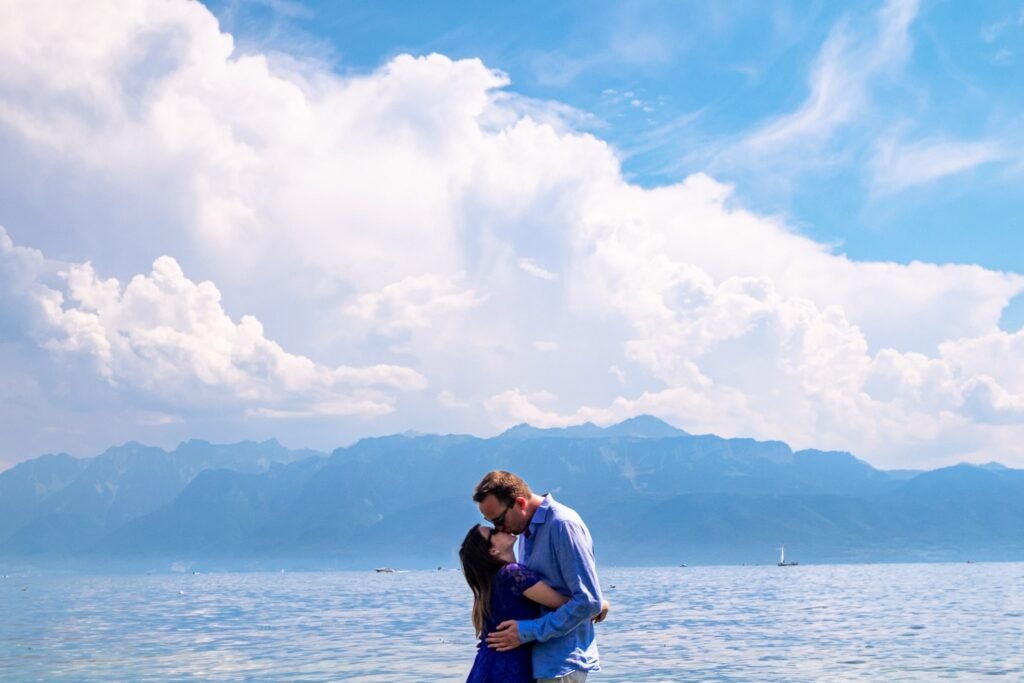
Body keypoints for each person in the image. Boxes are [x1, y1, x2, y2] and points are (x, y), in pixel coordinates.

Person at [473, 471, 605, 683]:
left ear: (520, 503)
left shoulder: (562, 525)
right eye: (490, 522)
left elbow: (588, 602)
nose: (498, 529)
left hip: (561, 663)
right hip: (535, 663)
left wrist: (527, 631)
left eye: (498, 519)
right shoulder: (524, 529)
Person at [460, 524, 573, 682]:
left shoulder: (491, 584)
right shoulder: (513, 574)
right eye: (494, 532)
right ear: (493, 551)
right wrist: (599, 604)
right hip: (508, 668)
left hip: (485, 665)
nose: (501, 527)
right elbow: (568, 605)